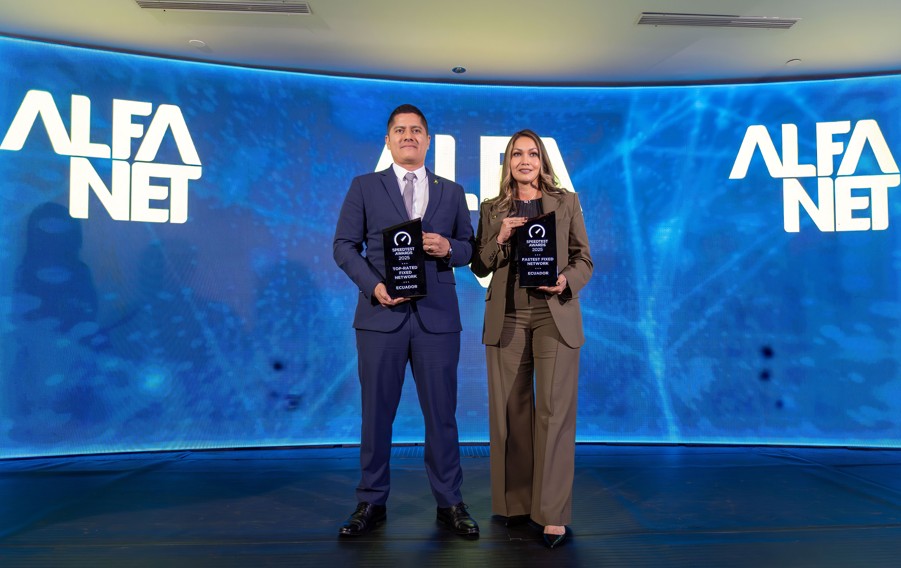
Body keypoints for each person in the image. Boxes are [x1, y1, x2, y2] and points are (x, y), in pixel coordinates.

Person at [332, 104, 479, 539]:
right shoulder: (364, 186)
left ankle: (450, 502)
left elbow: (469, 248)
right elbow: (343, 246)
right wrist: (374, 286)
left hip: (437, 320)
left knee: (442, 416)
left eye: (416, 130)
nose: (408, 136)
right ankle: (371, 501)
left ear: (428, 140)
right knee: (376, 415)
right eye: (400, 130)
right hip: (382, 316)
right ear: (388, 140)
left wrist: (447, 247)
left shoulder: (452, 191)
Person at [471, 129, 593, 549]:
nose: (525, 160)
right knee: (512, 411)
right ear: (508, 162)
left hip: (552, 313)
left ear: (543, 161)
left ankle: (552, 513)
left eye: (533, 154)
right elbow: (479, 265)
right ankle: (517, 503)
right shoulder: (492, 208)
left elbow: (584, 259)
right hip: (507, 314)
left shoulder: (566, 202)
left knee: (554, 412)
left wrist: (565, 281)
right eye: (517, 154)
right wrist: (501, 237)